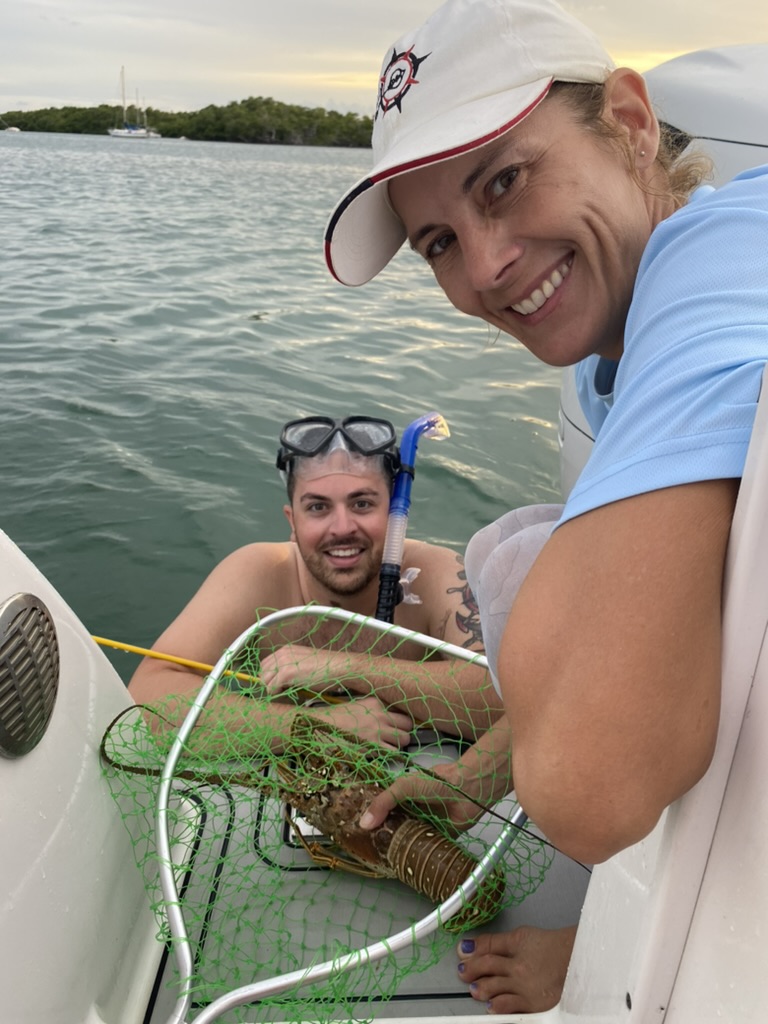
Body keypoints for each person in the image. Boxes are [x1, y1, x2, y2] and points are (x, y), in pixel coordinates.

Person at [322, 0, 768, 1013]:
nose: (481, 269)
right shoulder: (625, 358)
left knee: (516, 558)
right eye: (438, 240)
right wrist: (477, 774)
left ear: (630, 123)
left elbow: (589, 784)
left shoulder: (733, 244)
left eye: (506, 181)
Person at [129, 413, 500, 752]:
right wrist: (315, 727)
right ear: (292, 521)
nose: (342, 528)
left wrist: (347, 668)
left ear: (394, 516)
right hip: (295, 779)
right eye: (318, 508)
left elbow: (505, 700)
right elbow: (147, 697)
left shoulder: (436, 575)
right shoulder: (259, 573)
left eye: (362, 504)